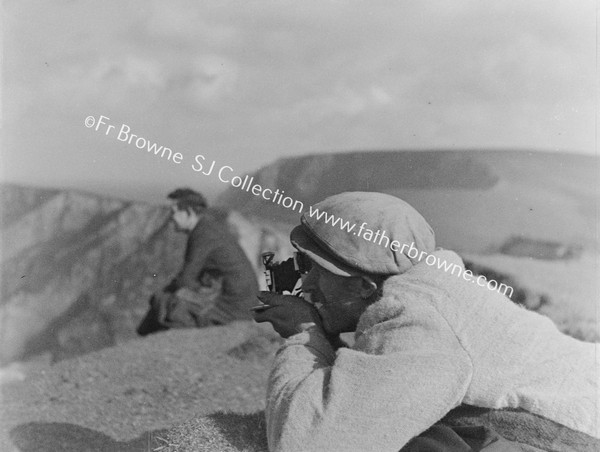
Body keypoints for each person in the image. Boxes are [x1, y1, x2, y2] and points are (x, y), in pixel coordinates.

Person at [253, 191, 599, 452]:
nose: (307, 282)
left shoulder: (419, 322)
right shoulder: (432, 285)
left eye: (316, 269)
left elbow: (306, 441)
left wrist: (304, 334)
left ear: (363, 286)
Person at [137, 188, 258, 335]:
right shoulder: (208, 227)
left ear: (189, 212)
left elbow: (186, 279)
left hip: (233, 309)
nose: (171, 217)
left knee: (163, 302)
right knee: (168, 301)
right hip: (242, 303)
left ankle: (144, 340)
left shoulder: (203, 234)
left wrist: (164, 293)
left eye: (174, 212)